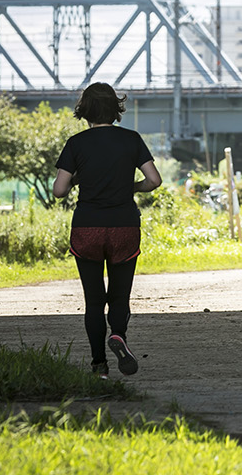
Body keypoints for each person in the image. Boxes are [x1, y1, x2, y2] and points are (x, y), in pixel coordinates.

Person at [52, 82, 161, 378]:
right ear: (116, 109)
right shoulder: (132, 140)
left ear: (84, 111)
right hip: (124, 226)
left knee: (94, 300)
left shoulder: (77, 144)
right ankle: (119, 335)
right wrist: (131, 187)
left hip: (87, 227)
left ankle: (99, 365)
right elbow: (154, 180)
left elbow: (59, 190)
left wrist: (77, 179)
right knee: (119, 295)